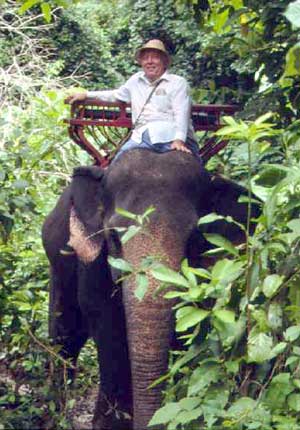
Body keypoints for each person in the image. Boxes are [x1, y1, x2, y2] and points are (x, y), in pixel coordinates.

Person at [66, 39, 200, 161]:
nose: (150, 61)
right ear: (141, 62)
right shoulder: (135, 80)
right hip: (141, 137)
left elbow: (181, 113)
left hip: (169, 135)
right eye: (146, 58)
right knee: (115, 166)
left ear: (164, 62)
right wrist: (87, 94)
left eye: (155, 57)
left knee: (198, 173)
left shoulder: (177, 83)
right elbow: (117, 95)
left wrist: (179, 140)